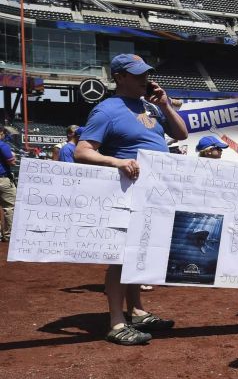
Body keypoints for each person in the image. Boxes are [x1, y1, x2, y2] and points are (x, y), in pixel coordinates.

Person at [75, 54, 188, 345]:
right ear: (119, 77)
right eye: (137, 74)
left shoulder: (151, 106)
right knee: (121, 257)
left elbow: (181, 133)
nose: (144, 79)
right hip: (127, 192)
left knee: (139, 253)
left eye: (146, 73)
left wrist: (164, 104)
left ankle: (136, 311)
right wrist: (117, 161)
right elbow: (83, 151)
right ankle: (116, 322)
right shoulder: (106, 110)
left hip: (154, 193)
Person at [0, 127, 16, 242]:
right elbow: (12, 161)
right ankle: (8, 234)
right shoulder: (3, 145)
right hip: (3, 179)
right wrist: (13, 156)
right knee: (9, 207)